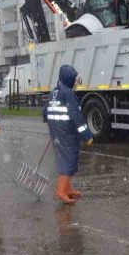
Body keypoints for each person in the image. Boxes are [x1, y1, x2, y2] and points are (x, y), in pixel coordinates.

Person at [43, 65, 93, 206]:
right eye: (74, 79)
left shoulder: (55, 92)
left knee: (62, 157)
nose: (76, 82)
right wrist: (87, 135)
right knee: (69, 158)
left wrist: (51, 123)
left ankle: (67, 188)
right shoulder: (68, 94)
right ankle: (60, 191)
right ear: (68, 79)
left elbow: (45, 111)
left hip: (57, 130)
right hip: (66, 131)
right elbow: (76, 116)